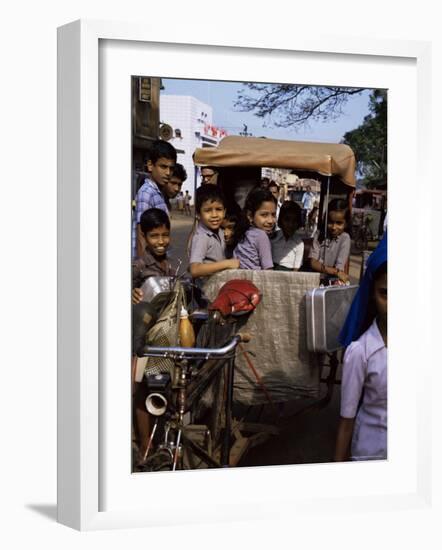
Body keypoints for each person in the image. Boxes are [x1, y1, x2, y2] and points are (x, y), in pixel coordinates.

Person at [335, 234, 387, 461]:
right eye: (385, 293)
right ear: (372, 294)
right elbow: (347, 421)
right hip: (370, 456)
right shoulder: (361, 351)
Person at [131, 208, 173, 463]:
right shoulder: (138, 266)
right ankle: (145, 444)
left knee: (164, 385)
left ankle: (162, 441)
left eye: (165, 235)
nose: (161, 241)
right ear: (144, 237)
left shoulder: (170, 264)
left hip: (166, 336)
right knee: (144, 388)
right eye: (155, 236)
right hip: (143, 339)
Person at [132, 139, 177, 258]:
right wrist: (144, 271)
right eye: (163, 167)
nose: (168, 172)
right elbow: (141, 233)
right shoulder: (146, 192)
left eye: (171, 168)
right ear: (150, 165)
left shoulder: (158, 192)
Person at [189, 185, 239, 279]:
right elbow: (194, 270)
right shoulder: (202, 237)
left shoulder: (220, 231)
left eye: (218, 209)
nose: (214, 215)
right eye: (208, 210)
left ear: (224, 212)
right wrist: (227, 263)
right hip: (207, 289)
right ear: (198, 214)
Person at [309, 198, 351, 283]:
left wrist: (335, 272)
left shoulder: (345, 238)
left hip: (331, 281)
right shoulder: (319, 233)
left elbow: (339, 267)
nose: (334, 227)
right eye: (330, 222)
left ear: (346, 223)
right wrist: (335, 271)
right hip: (314, 279)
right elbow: (313, 263)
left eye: (339, 223)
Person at [233, 187, 276, 270]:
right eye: (264, 215)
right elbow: (268, 271)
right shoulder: (261, 235)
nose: (271, 221)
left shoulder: (245, 232)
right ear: (250, 216)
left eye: (273, 215)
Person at [271, 201, 304, 271]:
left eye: (294, 221)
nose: (290, 225)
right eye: (287, 220)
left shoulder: (299, 243)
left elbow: (296, 270)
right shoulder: (273, 237)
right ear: (281, 220)